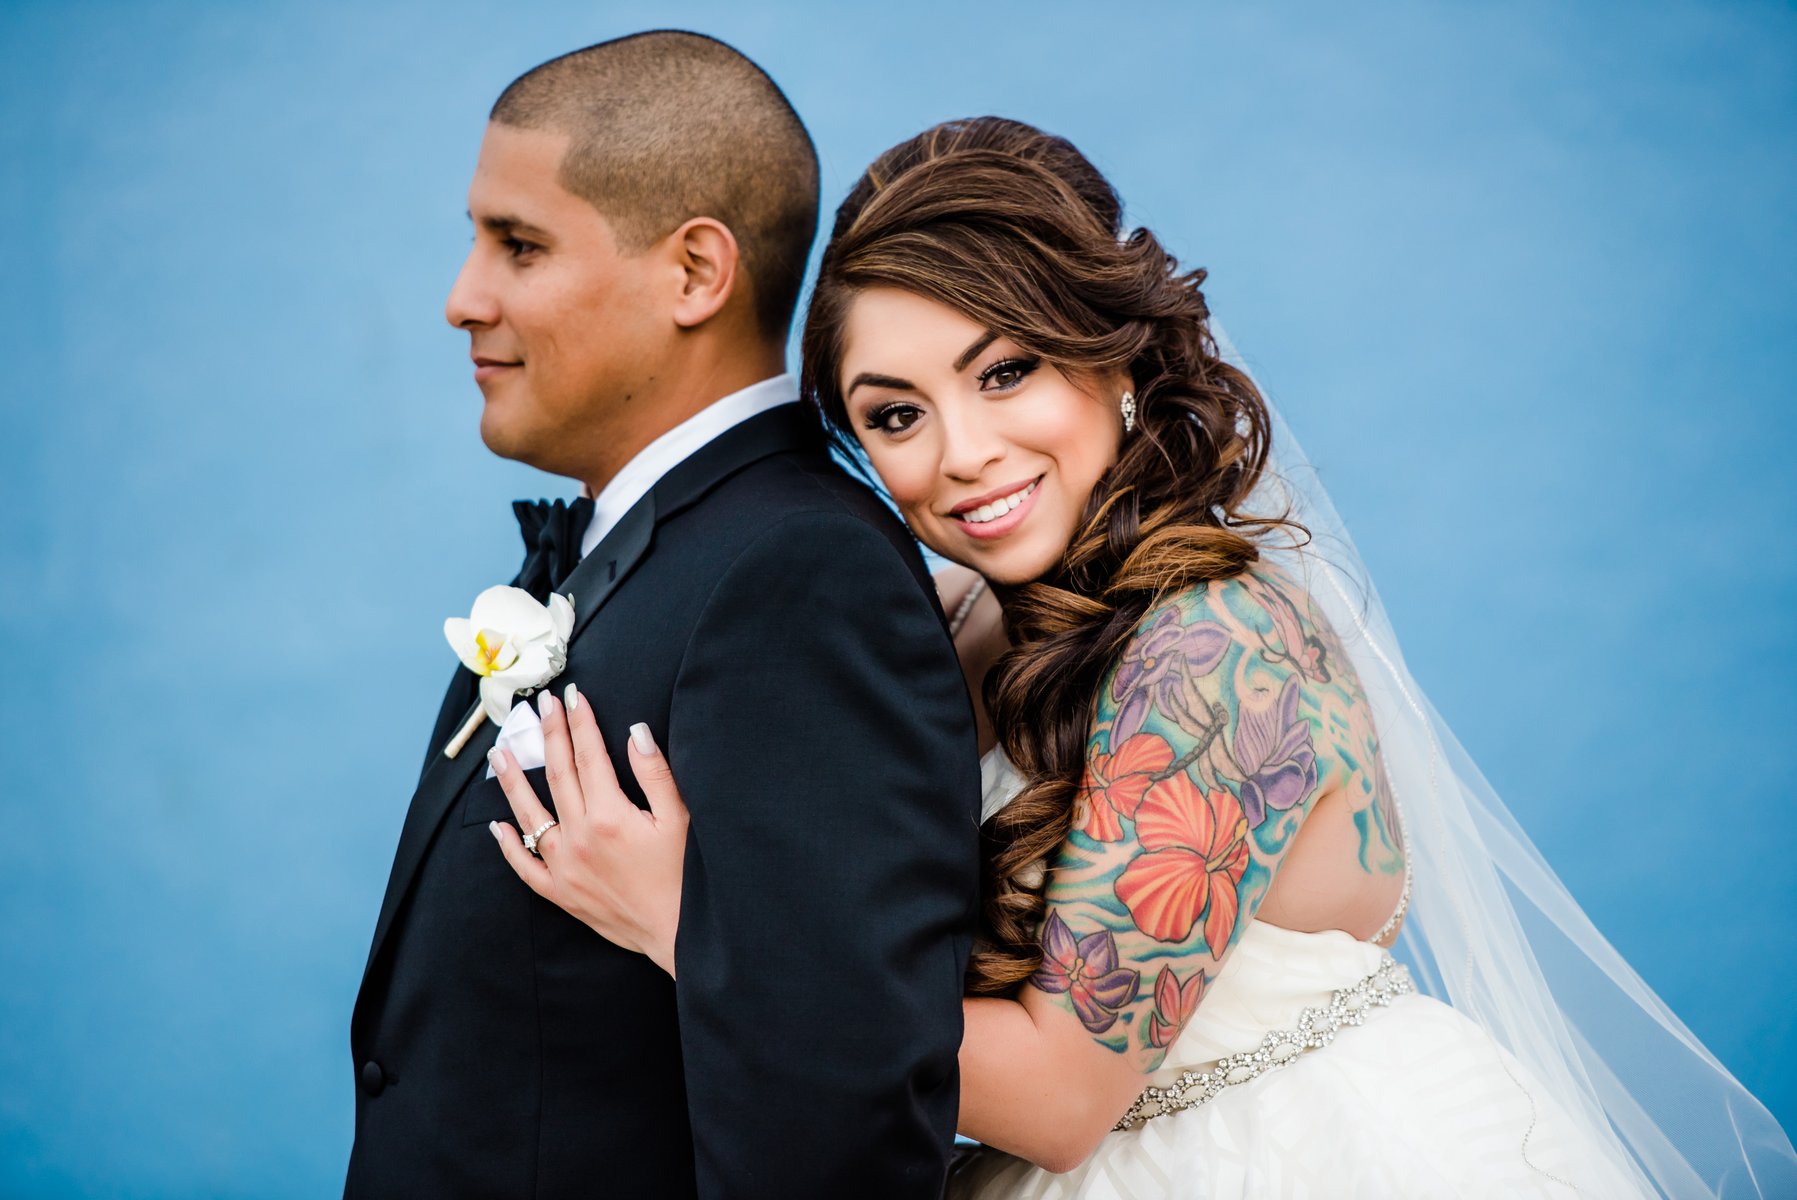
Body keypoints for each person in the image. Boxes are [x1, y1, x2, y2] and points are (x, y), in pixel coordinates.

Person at [488, 115, 1797, 1197]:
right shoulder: (946, 617)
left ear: (1113, 358)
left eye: (1005, 372)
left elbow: (1062, 1096)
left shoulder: (1220, 652)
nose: (962, 456)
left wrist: (692, 926)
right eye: (896, 415)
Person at [345, 33, 980, 1199]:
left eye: (519, 245)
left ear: (694, 272)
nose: (461, 299)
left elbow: (841, 1115)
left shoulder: (799, 574)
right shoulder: (647, 546)